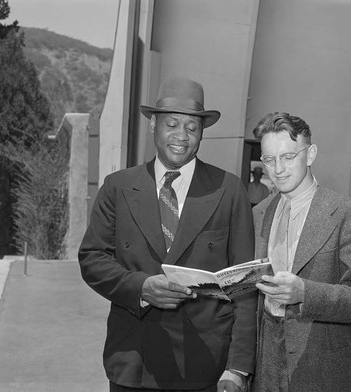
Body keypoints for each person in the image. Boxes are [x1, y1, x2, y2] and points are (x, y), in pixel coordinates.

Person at [78, 77, 256, 392]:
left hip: (205, 367)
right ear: (153, 126)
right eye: (172, 124)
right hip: (133, 362)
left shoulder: (229, 190)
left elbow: (243, 286)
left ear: (202, 132)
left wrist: (237, 368)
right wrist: (141, 287)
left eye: (192, 128)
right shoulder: (117, 187)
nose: (181, 136)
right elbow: (92, 259)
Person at [250, 112, 351, 392]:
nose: (278, 169)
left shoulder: (348, 214)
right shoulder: (258, 215)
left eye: (288, 157)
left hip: (320, 363)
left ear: (310, 154)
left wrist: (305, 294)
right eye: (269, 159)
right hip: (264, 360)